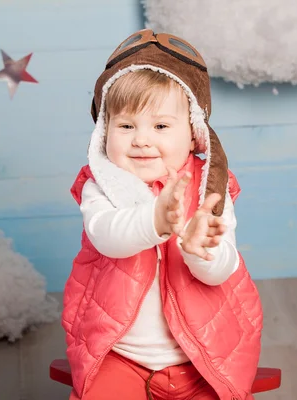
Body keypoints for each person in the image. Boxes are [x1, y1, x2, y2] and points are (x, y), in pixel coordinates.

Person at [62, 29, 263, 400]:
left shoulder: (208, 188)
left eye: (160, 126)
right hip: (119, 356)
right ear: (104, 131)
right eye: (125, 126)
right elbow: (107, 236)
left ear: (193, 133)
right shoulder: (101, 185)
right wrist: (154, 220)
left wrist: (201, 249)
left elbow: (222, 271)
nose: (141, 139)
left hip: (202, 357)